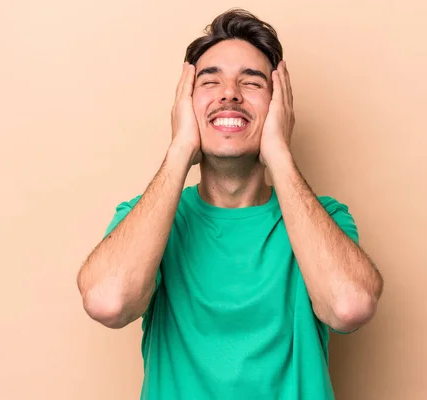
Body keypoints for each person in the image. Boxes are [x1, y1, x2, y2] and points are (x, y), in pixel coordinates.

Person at [76, 8, 383, 400]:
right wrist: (180, 148)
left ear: (279, 105)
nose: (229, 93)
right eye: (210, 81)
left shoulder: (326, 219)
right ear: (184, 103)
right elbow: (108, 302)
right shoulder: (149, 219)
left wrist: (280, 154)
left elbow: (350, 307)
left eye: (251, 82)